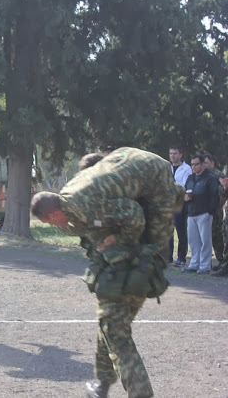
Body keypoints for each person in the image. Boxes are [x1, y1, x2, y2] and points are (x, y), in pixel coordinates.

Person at [30, 146, 184, 398]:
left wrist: (118, 239)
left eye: (50, 221)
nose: (55, 226)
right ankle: (102, 383)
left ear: (54, 213)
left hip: (152, 191)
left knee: (115, 331)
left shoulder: (86, 204)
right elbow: (77, 224)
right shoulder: (74, 199)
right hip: (133, 171)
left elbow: (135, 217)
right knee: (110, 323)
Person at [182, 154, 219, 274]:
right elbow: (185, 191)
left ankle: (204, 266)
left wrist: (210, 212)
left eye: (196, 164)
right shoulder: (190, 178)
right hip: (191, 213)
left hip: (204, 213)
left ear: (203, 164)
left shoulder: (210, 178)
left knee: (205, 241)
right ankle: (194, 264)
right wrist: (185, 198)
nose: (193, 167)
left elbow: (214, 196)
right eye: (192, 164)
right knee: (193, 241)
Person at [169, 145, 192, 267]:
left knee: (180, 230)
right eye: (171, 153)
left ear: (180, 155)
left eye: (175, 153)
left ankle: (181, 257)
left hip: (179, 203)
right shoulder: (167, 167)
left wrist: (171, 186)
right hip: (168, 203)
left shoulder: (186, 168)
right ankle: (168, 257)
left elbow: (183, 185)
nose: (173, 155)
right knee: (168, 231)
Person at [203, 154, 226, 266]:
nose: (205, 165)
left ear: (212, 163)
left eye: (206, 163)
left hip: (216, 210)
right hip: (204, 210)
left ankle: (221, 260)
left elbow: (222, 194)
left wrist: (218, 207)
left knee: (217, 236)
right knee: (207, 236)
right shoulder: (203, 175)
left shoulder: (219, 175)